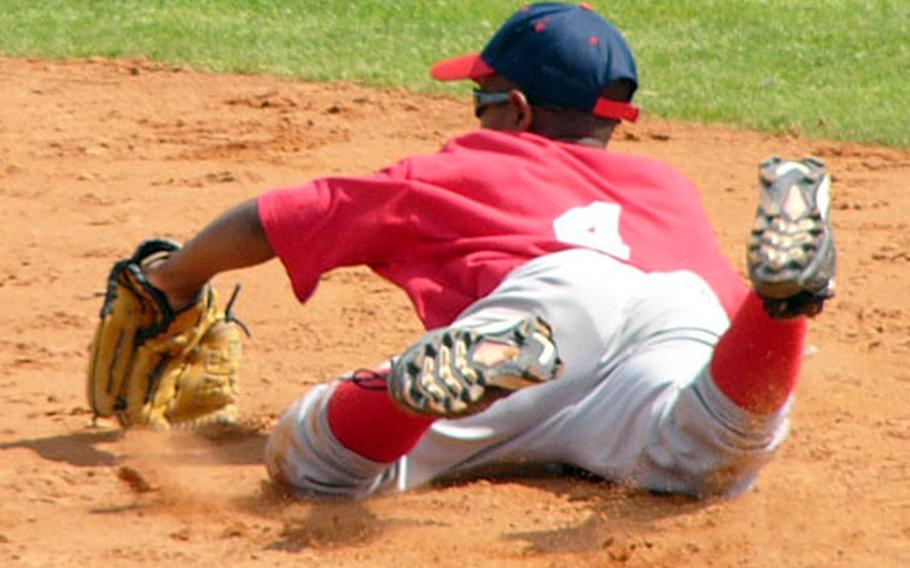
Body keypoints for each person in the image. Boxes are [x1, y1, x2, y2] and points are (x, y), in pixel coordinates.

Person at [142, 2, 835, 499]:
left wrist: (175, 277)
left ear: (519, 111)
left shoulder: (473, 166)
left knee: (312, 462)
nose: (477, 114)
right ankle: (780, 307)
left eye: (483, 98)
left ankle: (409, 394)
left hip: (545, 315)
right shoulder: (667, 185)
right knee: (709, 450)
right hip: (683, 309)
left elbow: (280, 218)